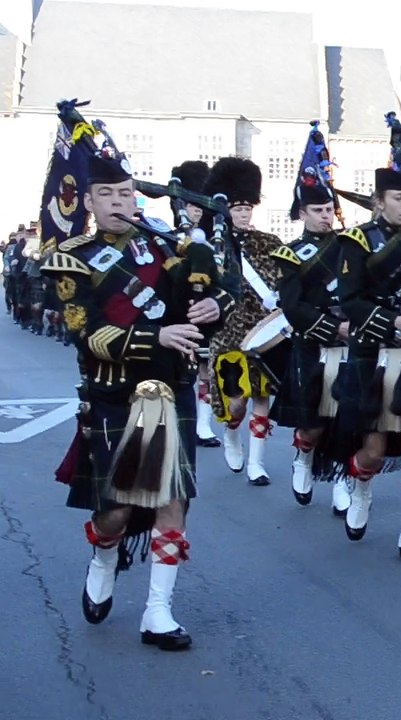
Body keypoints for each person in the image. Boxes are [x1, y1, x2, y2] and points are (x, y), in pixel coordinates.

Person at [44, 149, 234, 650]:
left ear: (136, 199)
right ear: (88, 201)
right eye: (105, 194)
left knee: (174, 500)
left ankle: (158, 612)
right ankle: (105, 553)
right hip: (115, 394)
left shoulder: (169, 249)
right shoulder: (71, 259)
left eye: (125, 193)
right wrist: (157, 337)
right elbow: (87, 334)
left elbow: (219, 294)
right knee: (117, 511)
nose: (117, 202)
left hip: (172, 389)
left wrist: (213, 304)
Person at [329, 167, 401, 560]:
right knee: (374, 450)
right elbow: (351, 300)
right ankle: (360, 488)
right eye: (399, 198)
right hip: (374, 352)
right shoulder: (357, 241)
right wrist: (393, 322)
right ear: (379, 201)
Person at [269, 172, 353, 515]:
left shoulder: (350, 246)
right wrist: (334, 328)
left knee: (347, 420)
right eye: (317, 210)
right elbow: (292, 307)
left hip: (352, 343)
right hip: (313, 345)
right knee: (314, 425)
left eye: (329, 209)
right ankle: (303, 457)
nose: (325, 216)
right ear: (302, 213)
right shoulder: (290, 255)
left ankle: (342, 480)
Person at [203, 157, 289, 485]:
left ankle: (257, 462)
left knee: (262, 396)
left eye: (247, 208)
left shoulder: (269, 242)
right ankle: (231, 433)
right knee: (237, 402)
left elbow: (286, 277)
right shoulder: (212, 246)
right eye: (236, 208)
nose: (243, 214)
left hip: (263, 330)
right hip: (228, 332)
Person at [169, 160, 222, 448]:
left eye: (200, 205)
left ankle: (203, 425)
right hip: (178, 313)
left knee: (205, 370)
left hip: (207, 312)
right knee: (180, 373)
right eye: (191, 205)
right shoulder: (168, 238)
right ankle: (180, 421)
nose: (197, 211)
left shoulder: (216, 240)